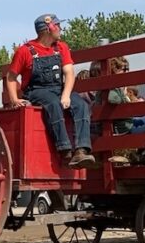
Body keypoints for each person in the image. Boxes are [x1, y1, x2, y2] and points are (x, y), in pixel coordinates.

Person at [6, 13, 97, 169]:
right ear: (48, 29)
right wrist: (14, 100)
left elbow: (69, 73)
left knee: (81, 104)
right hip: (35, 90)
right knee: (53, 104)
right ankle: (64, 148)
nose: (60, 29)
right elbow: (11, 76)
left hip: (58, 88)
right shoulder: (25, 51)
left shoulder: (61, 47)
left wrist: (66, 95)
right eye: (58, 26)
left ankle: (81, 150)